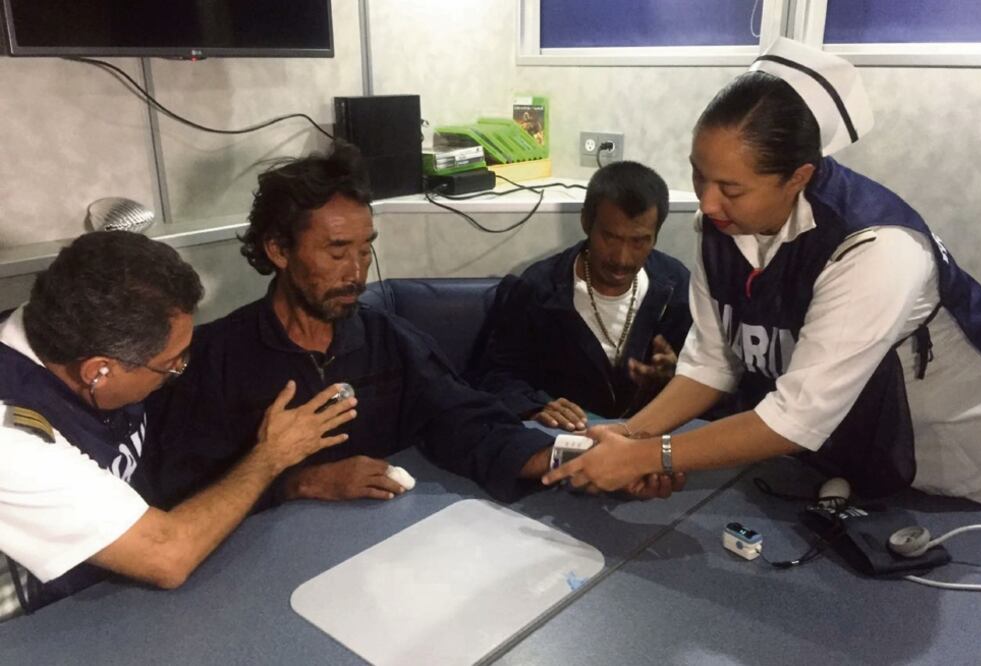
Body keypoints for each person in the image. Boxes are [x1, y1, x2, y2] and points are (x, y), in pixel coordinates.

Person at [543, 38, 981, 508]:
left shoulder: (876, 248)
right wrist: (629, 435)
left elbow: (794, 419)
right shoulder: (719, 227)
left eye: (731, 188)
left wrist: (646, 457)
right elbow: (712, 362)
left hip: (967, 463)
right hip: (854, 456)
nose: (707, 202)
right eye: (699, 174)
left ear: (798, 178)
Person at [146, 142, 556, 508]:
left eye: (365, 250)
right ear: (278, 250)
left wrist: (564, 457)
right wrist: (298, 483)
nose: (357, 274)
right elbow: (180, 490)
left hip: (378, 553)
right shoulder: (214, 359)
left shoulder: (390, 340)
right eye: (337, 251)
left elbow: (468, 422)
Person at [0, 232, 356, 622]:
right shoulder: (13, 440)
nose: (178, 370)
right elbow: (167, 557)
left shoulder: (59, 328)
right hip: (37, 630)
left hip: (113, 593)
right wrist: (272, 456)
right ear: (98, 371)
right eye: (170, 364)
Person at [476, 161, 692, 431]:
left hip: (649, 441)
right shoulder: (539, 287)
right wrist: (535, 406)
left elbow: (714, 378)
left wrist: (679, 377)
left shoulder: (676, 285)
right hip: (565, 439)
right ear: (586, 222)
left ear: (656, 236)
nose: (622, 258)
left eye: (639, 241)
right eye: (610, 237)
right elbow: (496, 376)